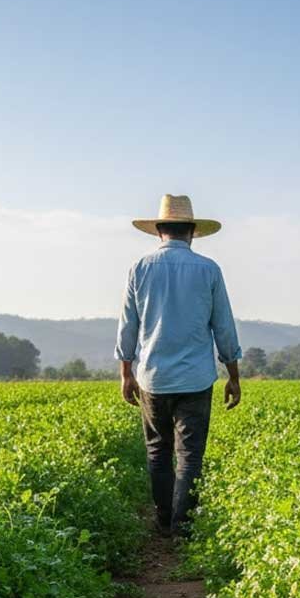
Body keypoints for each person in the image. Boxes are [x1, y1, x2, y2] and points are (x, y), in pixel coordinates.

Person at [115, 193, 242, 537]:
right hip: (196, 378)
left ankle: (163, 521)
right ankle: (183, 527)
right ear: (190, 231)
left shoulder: (139, 268)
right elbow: (224, 327)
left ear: (159, 230)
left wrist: (126, 374)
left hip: (153, 378)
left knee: (158, 451)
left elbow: (128, 326)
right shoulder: (209, 270)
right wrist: (233, 375)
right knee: (190, 455)